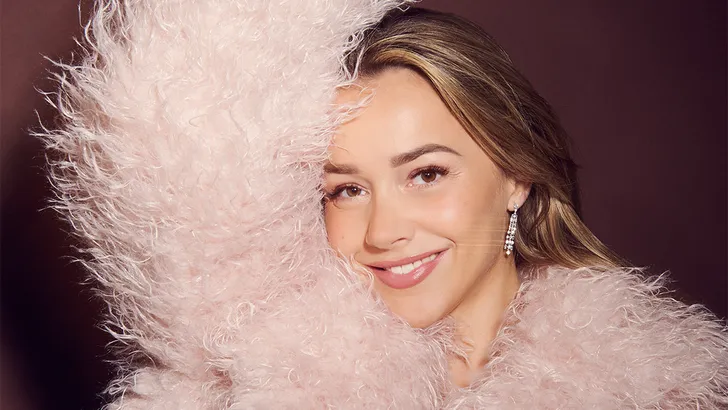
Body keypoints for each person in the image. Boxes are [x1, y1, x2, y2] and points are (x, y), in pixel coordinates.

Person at [44, 1, 726, 408]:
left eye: (426, 174)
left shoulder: (661, 390)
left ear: (517, 175)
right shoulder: (249, 386)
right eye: (346, 189)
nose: (384, 231)